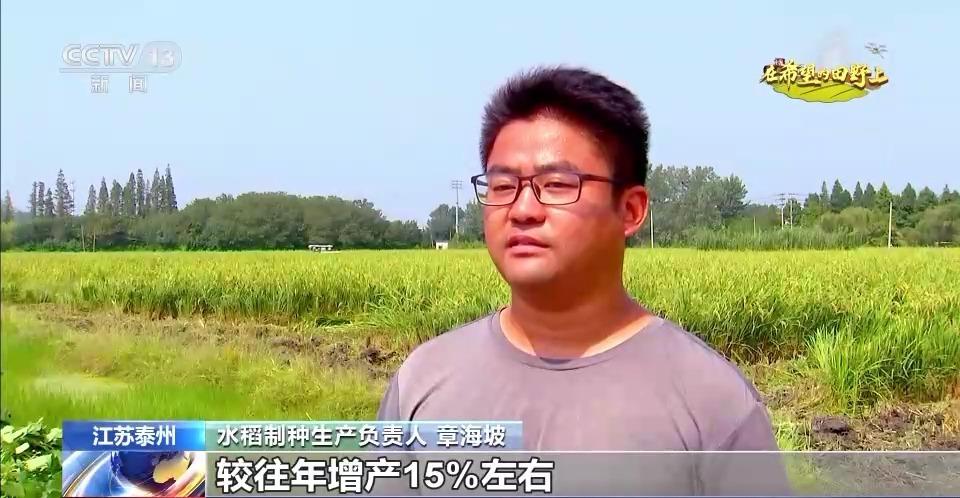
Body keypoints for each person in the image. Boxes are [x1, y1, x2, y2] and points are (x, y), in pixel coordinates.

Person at [377, 66, 791, 495]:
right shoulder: (422, 381)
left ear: (630, 210)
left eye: (557, 184)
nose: (522, 210)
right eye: (502, 186)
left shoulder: (714, 405)